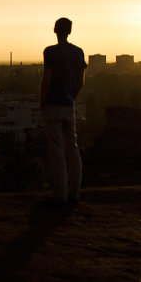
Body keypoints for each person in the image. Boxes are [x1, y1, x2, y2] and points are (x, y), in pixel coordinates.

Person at [39, 17, 86, 208]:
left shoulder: (50, 52)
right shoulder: (78, 52)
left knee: (57, 150)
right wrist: (71, 99)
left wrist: (42, 103)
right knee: (72, 148)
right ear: (70, 31)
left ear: (55, 30)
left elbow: (46, 80)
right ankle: (74, 192)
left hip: (53, 103)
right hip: (68, 104)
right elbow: (80, 82)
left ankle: (60, 194)